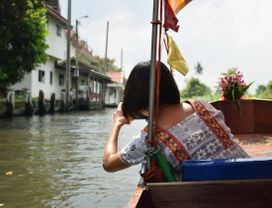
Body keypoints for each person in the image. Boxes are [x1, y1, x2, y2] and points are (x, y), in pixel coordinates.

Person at [103, 61, 249, 180]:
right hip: (251, 179)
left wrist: (117, 124)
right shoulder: (202, 106)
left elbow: (108, 163)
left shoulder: (150, 138)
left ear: (135, 97)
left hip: (208, 197)